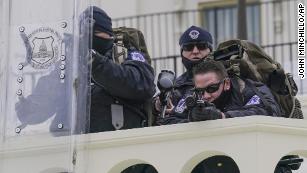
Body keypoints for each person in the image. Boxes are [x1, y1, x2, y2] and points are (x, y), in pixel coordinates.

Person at [89, 6, 156, 133]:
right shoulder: (72, 61)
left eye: (95, 32)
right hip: (75, 144)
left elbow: (144, 84)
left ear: (108, 34)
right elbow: (43, 107)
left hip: (121, 141)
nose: (88, 38)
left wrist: (95, 62)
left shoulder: (124, 53)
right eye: (83, 34)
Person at [162, 60, 282, 124]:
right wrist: (192, 119)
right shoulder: (192, 96)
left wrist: (222, 116)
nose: (206, 96)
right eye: (200, 91)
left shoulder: (248, 89)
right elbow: (168, 121)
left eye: (211, 88)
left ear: (226, 83)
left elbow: (269, 111)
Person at [153, 25, 213, 118]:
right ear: (182, 53)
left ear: (210, 50)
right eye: (189, 47)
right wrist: (157, 104)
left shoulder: (226, 79)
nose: (195, 51)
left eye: (202, 46)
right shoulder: (175, 87)